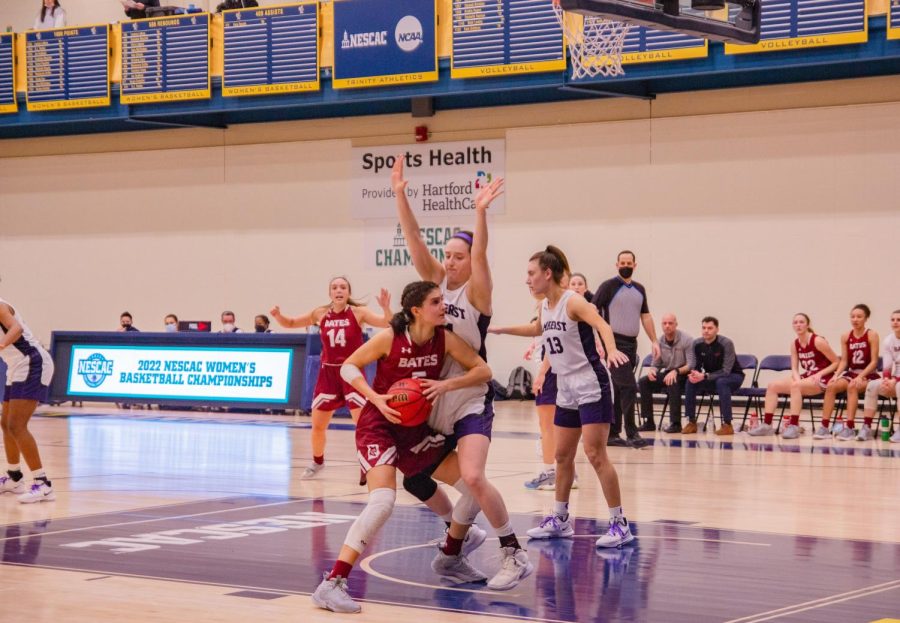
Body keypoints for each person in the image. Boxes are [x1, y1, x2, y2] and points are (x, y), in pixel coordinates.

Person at [311, 281, 497, 613]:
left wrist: (445, 384)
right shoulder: (390, 338)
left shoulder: (445, 339)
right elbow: (350, 365)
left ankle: (452, 552)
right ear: (416, 310)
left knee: (474, 486)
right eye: (436, 302)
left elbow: (483, 370)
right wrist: (375, 398)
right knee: (383, 501)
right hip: (379, 425)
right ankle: (332, 583)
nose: (444, 307)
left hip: (414, 430)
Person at [390, 157, 532, 589]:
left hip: (470, 393)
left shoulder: (478, 293)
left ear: (471, 261)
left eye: (458, 256)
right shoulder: (437, 285)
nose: (450, 262)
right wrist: (400, 193)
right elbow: (413, 238)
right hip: (433, 398)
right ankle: (453, 550)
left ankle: (513, 552)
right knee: (414, 474)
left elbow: (483, 252)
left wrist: (481, 212)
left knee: (472, 476)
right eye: (447, 255)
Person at [513, 246, 633, 548]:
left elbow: (602, 325)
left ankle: (620, 524)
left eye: (531, 273)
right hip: (565, 385)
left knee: (595, 455)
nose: (527, 280)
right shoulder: (545, 307)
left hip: (590, 383)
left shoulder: (573, 301)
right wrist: (496, 329)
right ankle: (560, 519)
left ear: (547, 273)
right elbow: (534, 330)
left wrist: (613, 349)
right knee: (562, 456)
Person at [271, 277, 391, 478]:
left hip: (351, 373)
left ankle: (367, 465)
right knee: (317, 426)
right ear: (329, 293)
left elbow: (386, 323)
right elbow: (291, 323)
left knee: (362, 425)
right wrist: (278, 315)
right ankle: (318, 462)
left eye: (343, 287)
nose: (339, 290)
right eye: (334, 287)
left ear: (348, 293)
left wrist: (386, 308)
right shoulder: (320, 313)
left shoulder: (358, 312)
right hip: (328, 374)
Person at [591, 251, 660, 448]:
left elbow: (645, 316)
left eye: (629, 263)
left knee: (621, 390)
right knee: (629, 386)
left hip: (631, 344)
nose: (626, 265)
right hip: (613, 344)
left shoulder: (640, 289)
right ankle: (632, 432)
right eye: (622, 262)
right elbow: (592, 311)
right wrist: (598, 339)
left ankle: (612, 433)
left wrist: (654, 340)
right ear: (617, 264)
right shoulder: (608, 286)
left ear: (635, 265)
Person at [0, 297, 56, 504]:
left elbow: (16, 329)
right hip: (15, 365)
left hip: (32, 361)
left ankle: (43, 485)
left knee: (16, 425)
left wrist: (2, 344)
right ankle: (14, 478)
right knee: (6, 424)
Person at [750, 313, 839, 439]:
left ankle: (793, 425)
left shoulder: (818, 341)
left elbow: (836, 362)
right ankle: (767, 424)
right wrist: (798, 379)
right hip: (808, 376)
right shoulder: (794, 344)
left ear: (807, 324)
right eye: (795, 322)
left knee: (796, 386)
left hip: (824, 377)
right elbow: (794, 368)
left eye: (801, 322)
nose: (798, 325)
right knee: (772, 386)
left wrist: (820, 373)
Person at [816, 305, 880, 440]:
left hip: (868, 373)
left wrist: (861, 376)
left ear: (866, 318)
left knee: (852, 386)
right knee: (831, 386)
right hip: (852, 373)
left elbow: (874, 361)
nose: (855, 319)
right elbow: (844, 361)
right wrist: (835, 375)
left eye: (859, 316)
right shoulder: (845, 336)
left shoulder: (871, 334)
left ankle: (849, 427)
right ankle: (824, 427)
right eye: (852, 316)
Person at [682, 317, 744, 436]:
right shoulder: (697, 344)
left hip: (733, 376)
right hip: (712, 377)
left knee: (722, 382)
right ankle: (691, 422)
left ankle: (727, 424)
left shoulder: (726, 343)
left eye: (710, 328)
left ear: (717, 329)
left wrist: (704, 376)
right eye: (704, 328)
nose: (706, 331)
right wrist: (694, 374)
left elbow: (726, 371)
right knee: (690, 381)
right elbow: (696, 365)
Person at [638, 313, 692, 433]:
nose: (667, 326)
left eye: (670, 323)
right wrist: (652, 370)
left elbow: (691, 364)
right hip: (668, 372)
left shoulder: (687, 340)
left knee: (672, 381)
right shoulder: (660, 341)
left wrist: (676, 371)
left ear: (676, 324)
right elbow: (656, 363)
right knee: (644, 382)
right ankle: (649, 421)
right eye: (665, 323)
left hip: (684, 374)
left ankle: (676, 423)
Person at [861, 310, 900, 443]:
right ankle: (866, 427)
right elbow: (887, 366)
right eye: (893, 319)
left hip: (898, 381)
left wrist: (895, 381)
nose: (895, 322)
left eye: (898, 320)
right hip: (895, 379)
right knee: (872, 385)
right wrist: (886, 379)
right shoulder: (889, 340)